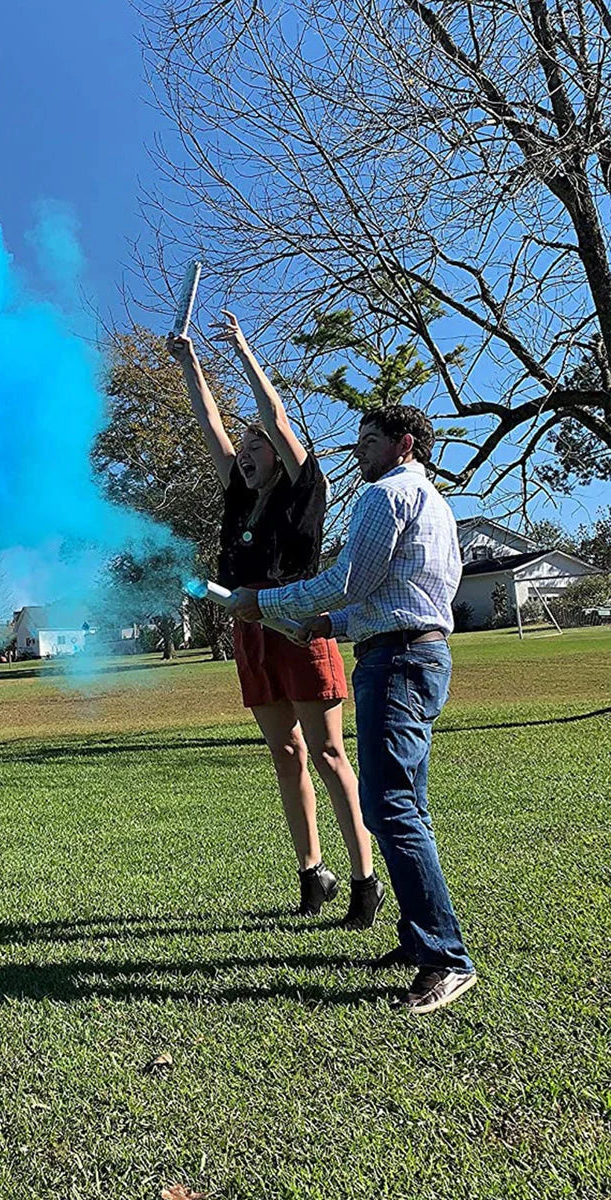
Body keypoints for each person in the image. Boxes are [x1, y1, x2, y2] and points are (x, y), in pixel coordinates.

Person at [226, 405, 477, 1015]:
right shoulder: (435, 503)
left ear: (404, 444)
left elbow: (348, 578)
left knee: (388, 807)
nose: (358, 449)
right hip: (419, 653)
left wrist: (269, 602)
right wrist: (328, 623)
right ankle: (420, 943)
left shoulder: (384, 496)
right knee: (403, 805)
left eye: (369, 440)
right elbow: (398, 592)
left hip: (396, 662)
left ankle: (444, 959)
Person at [168, 314, 384, 927]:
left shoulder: (302, 488)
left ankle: (366, 875)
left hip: (297, 621)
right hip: (249, 630)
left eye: (256, 445)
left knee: (328, 753)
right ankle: (313, 872)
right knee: (285, 752)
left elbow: (277, 416)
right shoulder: (238, 494)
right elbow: (211, 427)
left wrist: (239, 349)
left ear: (281, 451)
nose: (245, 454)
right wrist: (189, 363)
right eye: (245, 451)